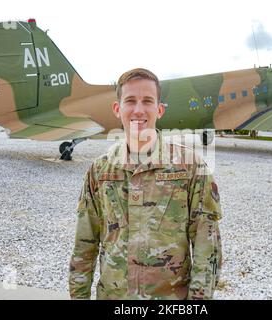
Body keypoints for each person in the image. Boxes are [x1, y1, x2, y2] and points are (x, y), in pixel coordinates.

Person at [69, 68, 222, 300]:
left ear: (159, 110)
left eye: (147, 101)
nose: (138, 110)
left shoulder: (190, 168)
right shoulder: (100, 171)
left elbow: (206, 247)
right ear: (117, 108)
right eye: (130, 100)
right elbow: (85, 244)